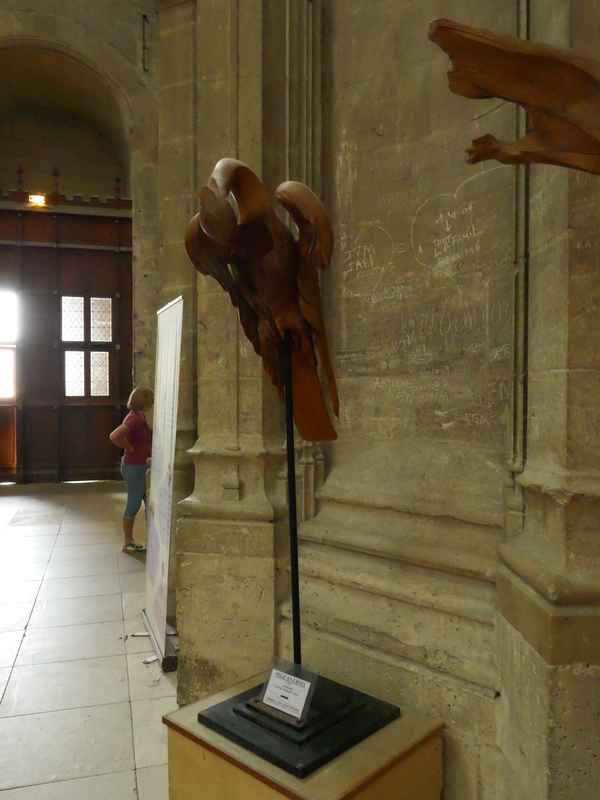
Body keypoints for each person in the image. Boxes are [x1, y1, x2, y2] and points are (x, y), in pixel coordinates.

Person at [109, 387, 153, 553]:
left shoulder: (139, 415)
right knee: (134, 504)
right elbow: (114, 436)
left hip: (139, 465)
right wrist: (129, 448)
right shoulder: (134, 419)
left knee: (147, 500)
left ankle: (148, 541)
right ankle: (128, 542)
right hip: (134, 466)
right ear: (145, 401)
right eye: (151, 400)